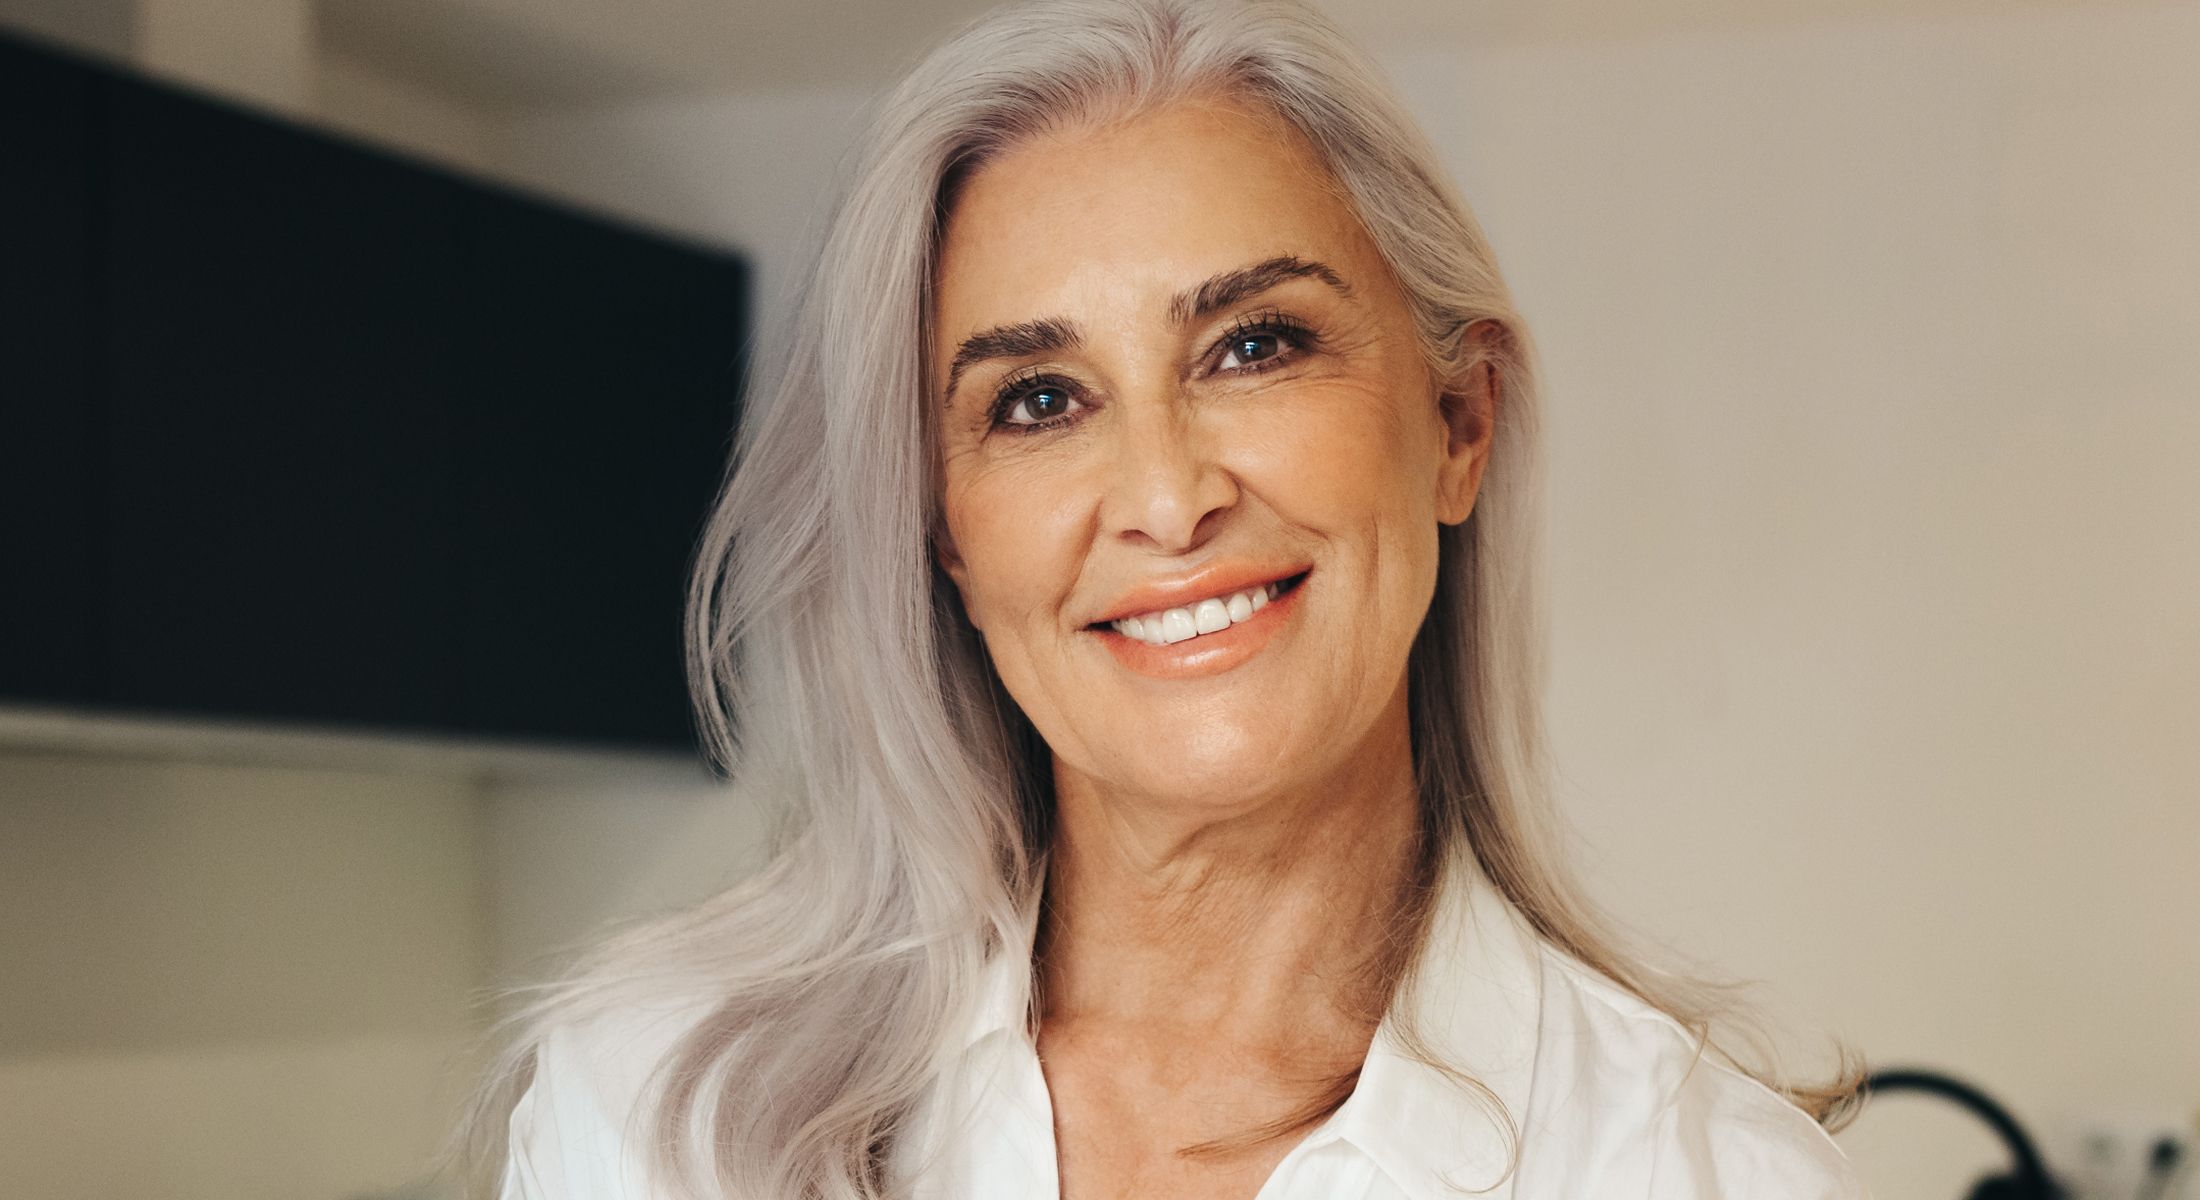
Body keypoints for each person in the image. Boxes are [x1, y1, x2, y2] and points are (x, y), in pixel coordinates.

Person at [468, 1, 1869, 1196]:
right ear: (945, 536)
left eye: (1254, 345)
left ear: (1457, 423)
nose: (1164, 493)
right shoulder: (648, 1106)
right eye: (1037, 400)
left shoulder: (1709, 1176)